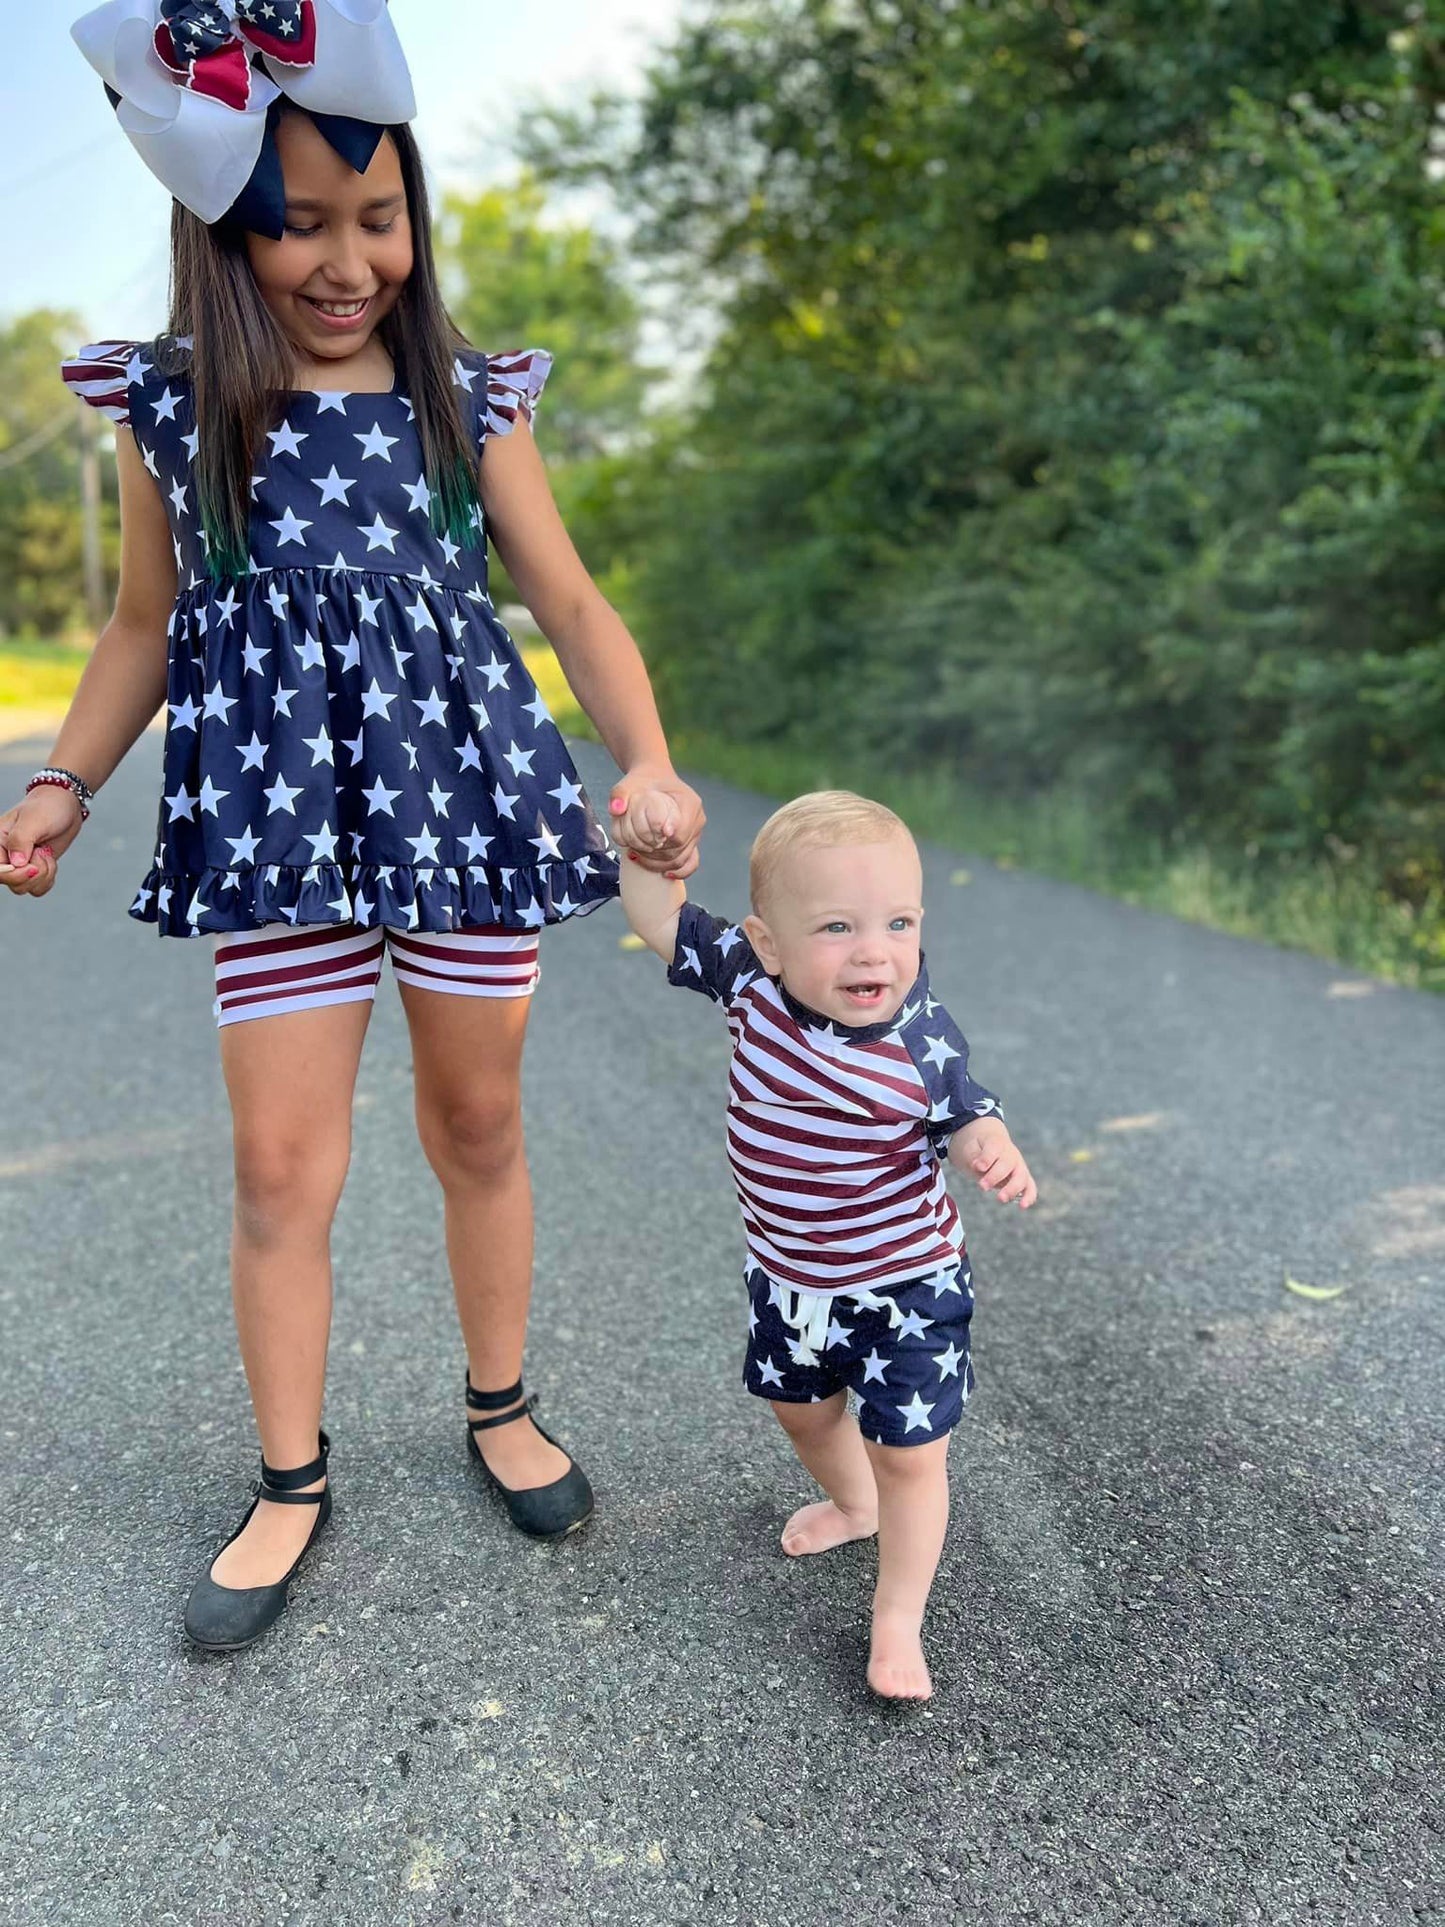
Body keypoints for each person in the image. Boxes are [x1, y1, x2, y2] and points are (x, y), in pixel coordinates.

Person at [0, 0, 703, 1652]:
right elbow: (137, 632)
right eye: (298, 223)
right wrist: (60, 783)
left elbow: (574, 602)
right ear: (219, 233)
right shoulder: (173, 411)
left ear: (416, 220)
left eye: (375, 218)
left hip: (457, 806)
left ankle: (501, 1401)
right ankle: (290, 1475)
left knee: (477, 1125)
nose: (344, 258)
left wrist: (652, 758)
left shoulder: (470, 395)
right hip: (276, 827)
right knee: (276, 1165)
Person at [619, 791, 1035, 1701]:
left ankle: (897, 1619)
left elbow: (965, 1112)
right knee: (801, 1411)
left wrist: (987, 1148)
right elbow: (655, 919)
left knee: (910, 1449)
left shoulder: (917, 1038)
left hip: (907, 1285)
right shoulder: (748, 982)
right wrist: (646, 859)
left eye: (898, 922)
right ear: (769, 943)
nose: (873, 950)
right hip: (791, 1279)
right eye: (837, 926)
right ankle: (855, 1505)